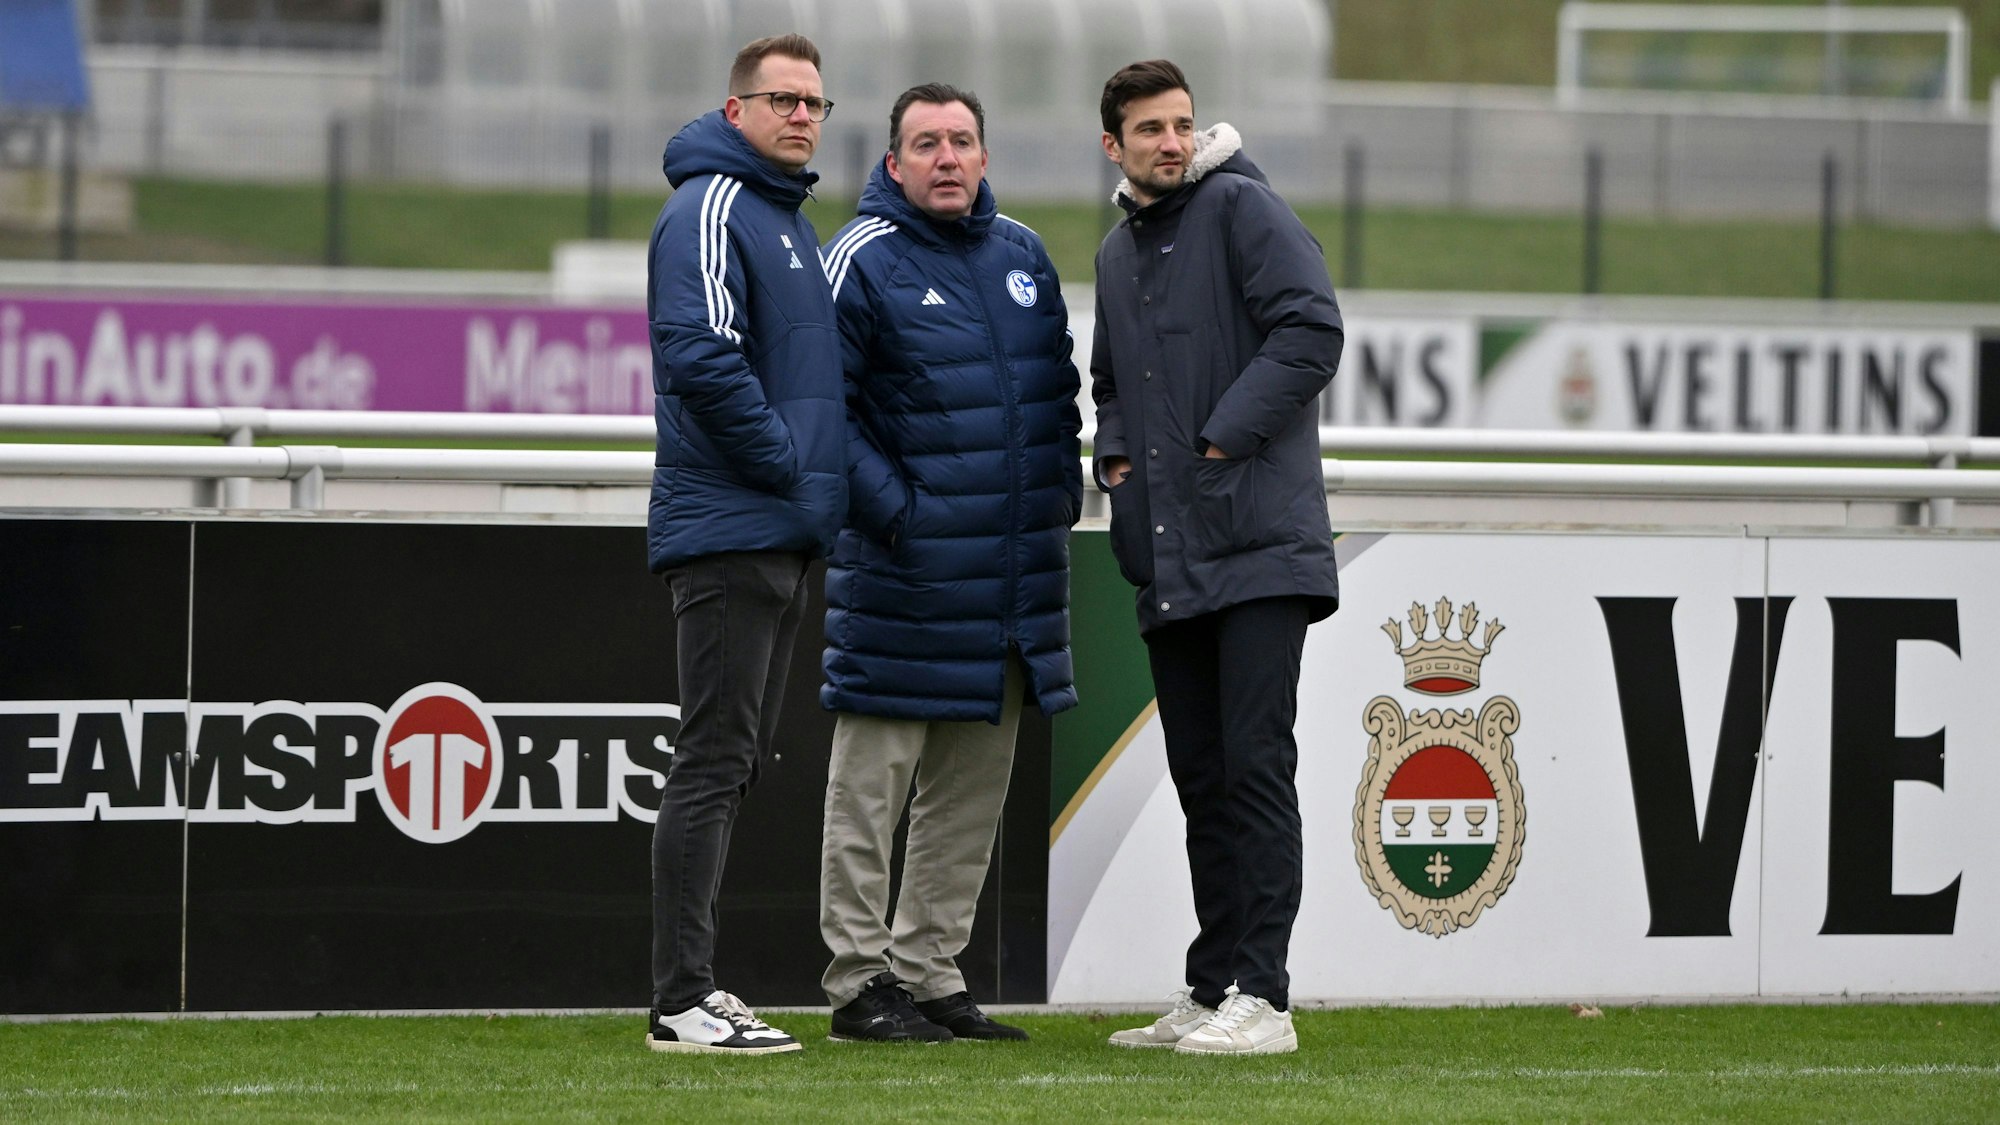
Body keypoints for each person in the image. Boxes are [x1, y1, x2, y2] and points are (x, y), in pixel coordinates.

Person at [815, 83, 1083, 1043]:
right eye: (925, 143)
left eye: (962, 141)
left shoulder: (1022, 254)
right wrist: (903, 516)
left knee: (970, 796)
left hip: (1010, 582)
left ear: (983, 154)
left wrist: (1060, 497)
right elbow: (822, 415)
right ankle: (857, 983)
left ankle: (929, 972)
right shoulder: (858, 257)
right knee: (872, 790)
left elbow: (1058, 395)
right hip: (903, 575)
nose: (946, 158)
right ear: (892, 163)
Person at [1089, 59, 1344, 1057]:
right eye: (1148, 127)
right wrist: (1116, 461)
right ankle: (1209, 990)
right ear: (1111, 144)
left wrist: (1216, 439)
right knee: (1200, 777)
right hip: (1170, 551)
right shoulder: (1116, 252)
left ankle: (1264, 998)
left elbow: (1310, 331)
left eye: (1181, 123)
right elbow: (1110, 378)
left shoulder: (1239, 206)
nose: (1169, 140)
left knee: (1252, 768)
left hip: (1259, 542)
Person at [642, 33, 846, 1056]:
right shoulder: (713, 205)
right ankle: (682, 998)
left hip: (774, 529)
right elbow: (696, 354)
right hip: (734, 526)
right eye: (782, 99)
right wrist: (783, 467)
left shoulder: (782, 218)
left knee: (727, 763)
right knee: (712, 759)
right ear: (737, 111)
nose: (802, 115)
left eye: (815, 102)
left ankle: (694, 988)